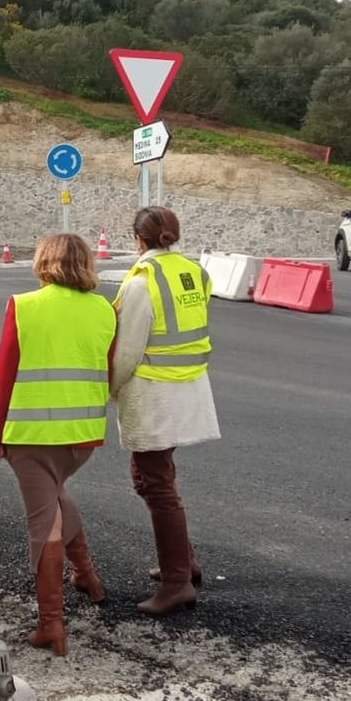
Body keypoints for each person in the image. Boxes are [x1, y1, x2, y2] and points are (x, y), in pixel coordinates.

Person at [0, 232, 116, 657]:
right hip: (81, 435)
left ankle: (51, 625)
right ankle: (88, 578)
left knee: (44, 521)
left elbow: (5, 371)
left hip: (32, 434)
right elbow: (109, 369)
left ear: (43, 262)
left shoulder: (23, 306)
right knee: (56, 496)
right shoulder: (103, 309)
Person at [111, 206, 219, 615]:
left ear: (138, 240)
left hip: (155, 391)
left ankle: (177, 581)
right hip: (189, 385)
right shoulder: (194, 271)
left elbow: (127, 351)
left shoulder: (143, 283)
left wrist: (110, 389)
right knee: (156, 477)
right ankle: (184, 563)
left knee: (155, 483)